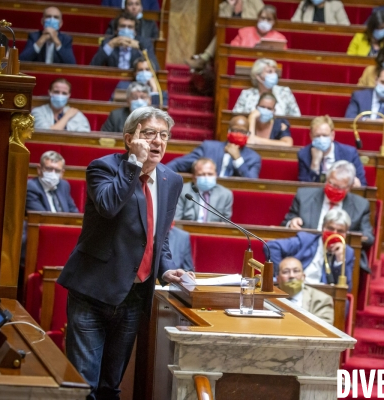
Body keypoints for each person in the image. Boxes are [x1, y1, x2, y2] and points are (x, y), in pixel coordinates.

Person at [57, 106, 186, 398]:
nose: (158, 142)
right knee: (83, 386)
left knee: (109, 387)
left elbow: (159, 235)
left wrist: (165, 268)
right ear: (129, 138)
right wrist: (134, 164)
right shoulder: (102, 168)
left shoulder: (171, 180)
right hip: (93, 292)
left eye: (164, 135)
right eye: (149, 133)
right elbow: (108, 206)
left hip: (133, 297)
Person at [281, 160, 374, 248]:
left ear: (349, 188)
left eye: (339, 187)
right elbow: (285, 223)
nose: (334, 189)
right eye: (331, 184)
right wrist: (291, 223)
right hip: (305, 250)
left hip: (340, 254)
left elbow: (368, 237)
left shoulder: (361, 205)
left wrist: (346, 238)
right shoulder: (304, 196)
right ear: (326, 179)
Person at [272, 209, 356, 290]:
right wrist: (281, 273)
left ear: (345, 234)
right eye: (330, 229)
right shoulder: (306, 240)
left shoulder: (348, 253)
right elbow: (273, 246)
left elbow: (346, 289)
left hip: (324, 295)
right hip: (297, 288)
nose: (334, 234)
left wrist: (339, 261)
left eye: (340, 231)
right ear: (323, 228)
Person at [166, 115, 262, 178]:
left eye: (242, 132)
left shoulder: (253, 158)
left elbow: (252, 182)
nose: (238, 134)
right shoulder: (209, 148)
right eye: (235, 130)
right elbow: (178, 164)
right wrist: (162, 178)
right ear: (228, 131)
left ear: (248, 134)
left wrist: (238, 159)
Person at [187, 0, 265, 71]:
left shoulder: (254, 2)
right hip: (233, 38)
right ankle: (203, 59)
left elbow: (264, 17)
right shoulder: (224, 6)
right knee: (220, 34)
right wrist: (232, 6)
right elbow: (222, 25)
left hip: (251, 35)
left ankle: (204, 58)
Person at [297, 115, 367, 186]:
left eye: (325, 135)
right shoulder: (304, 154)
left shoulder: (349, 153)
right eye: (317, 136)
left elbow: (363, 184)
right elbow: (304, 189)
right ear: (311, 136)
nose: (321, 139)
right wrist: (315, 164)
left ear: (332, 135)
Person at [90, 11, 160, 70]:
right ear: (116, 31)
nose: (126, 30)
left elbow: (156, 68)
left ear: (135, 31)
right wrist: (110, 45)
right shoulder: (108, 42)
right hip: (113, 81)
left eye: (130, 27)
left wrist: (140, 49)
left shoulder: (144, 43)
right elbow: (93, 66)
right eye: (122, 26)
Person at [232, 58, 301, 116]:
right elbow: (235, 118)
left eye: (275, 72)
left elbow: (296, 118)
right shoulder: (246, 95)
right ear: (258, 76)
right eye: (270, 72)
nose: (274, 75)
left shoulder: (285, 92)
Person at [275, 257, 334, 325]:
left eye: (296, 271)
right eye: (286, 272)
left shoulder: (321, 299)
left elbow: (325, 328)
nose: (291, 275)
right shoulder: (267, 298)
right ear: (278, 278)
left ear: (303, 277)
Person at [175, 158, 234, 222]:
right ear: (194, 177)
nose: (206, 177)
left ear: (216, 175)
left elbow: (226, 224)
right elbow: (176, 220)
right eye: (202, 174)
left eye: (210, 174)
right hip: (186, 231)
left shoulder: (225, 194)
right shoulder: (182, 191)